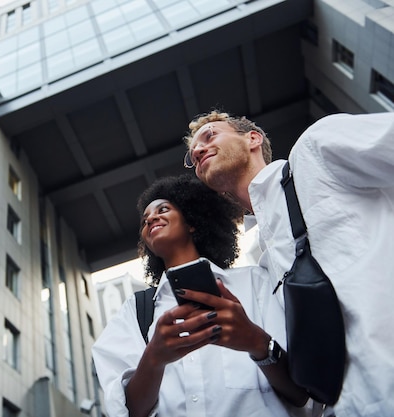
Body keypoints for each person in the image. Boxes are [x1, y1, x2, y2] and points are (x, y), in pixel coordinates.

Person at [184, 110, 394, 417]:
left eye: (210, 135)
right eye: (192, 155)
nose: (198, 150)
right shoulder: (263, 264)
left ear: (252, 139)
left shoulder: (315, 150)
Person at [92, 175, 308, 417]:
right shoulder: (136, 311)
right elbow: (130, 412)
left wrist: (255, 341)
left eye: (163, 209)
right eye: (145, 220)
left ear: (192, 222)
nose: (151, 218)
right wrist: (154, 358)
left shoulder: (255, 282)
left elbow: (302, 394)